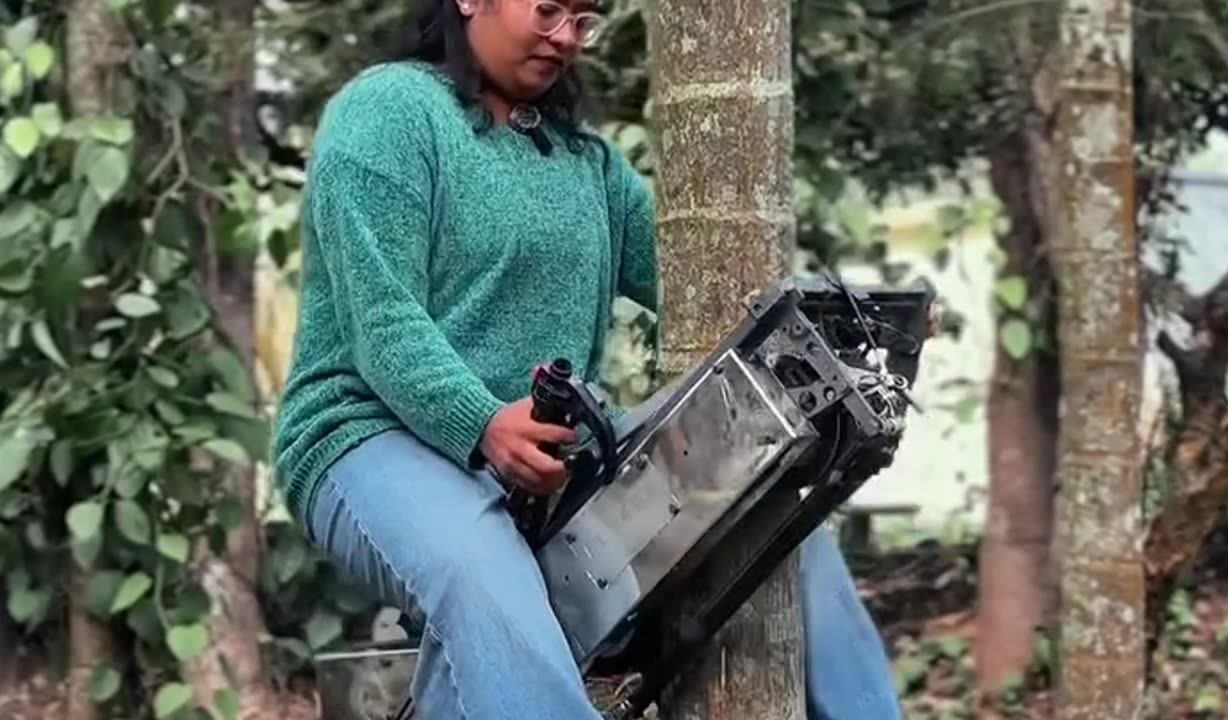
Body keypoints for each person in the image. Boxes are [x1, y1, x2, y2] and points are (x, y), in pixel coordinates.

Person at [271, 1, 903, 718]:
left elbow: (694, 281)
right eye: (548, 10)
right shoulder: (388, 112)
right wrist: (482, 424)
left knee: (767, 498)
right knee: (480, 570)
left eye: (583, 19)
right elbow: (382, 322)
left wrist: (832, 321)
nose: (567, 35)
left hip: (553, 452)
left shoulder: (586, 163)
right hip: (370, 434)